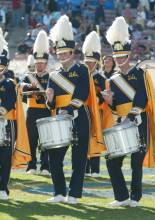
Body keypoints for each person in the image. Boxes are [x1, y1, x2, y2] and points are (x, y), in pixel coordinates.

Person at [102, 16, 155, 207]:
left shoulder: (140, 73)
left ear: (129, 55)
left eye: (123, 56)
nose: (120, 60)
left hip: (138, 121)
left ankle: (135, 197)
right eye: (117, 57)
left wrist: (130, 117)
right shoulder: (112, 79)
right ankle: (121, 197)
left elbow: (142, 98)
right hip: (121, 123)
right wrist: (110, 102)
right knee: (113, 162)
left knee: (136, 163)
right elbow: (114, 107)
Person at [46, 15, 104, 204]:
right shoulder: (53, 74)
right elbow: (51, 104)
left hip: (79, 117)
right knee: (54, 158)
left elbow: (82, 93)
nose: (62, 56)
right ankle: (59, 193)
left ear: (72, 52)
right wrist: (50, 100)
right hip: (60, 118)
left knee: (78, 160)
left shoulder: (81, 70)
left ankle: (74, 194)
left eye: (65, 53)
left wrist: (68, 109)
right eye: (59, 53)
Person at [0, 29, 31, 200]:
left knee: (5, 157)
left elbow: (7, 104)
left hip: (7, 123)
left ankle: (3, 188)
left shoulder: (9, 83)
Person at [22, 30, 51, 175]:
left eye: (42, 63)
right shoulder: (28, 77)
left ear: (46, 63)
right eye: (37, 63)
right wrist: (29, 88)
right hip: (32, 111)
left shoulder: (52, 77)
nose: (39, 65)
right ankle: (31, 166)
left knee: (45, 140)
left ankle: (45, 166)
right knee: (31, 140)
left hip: (46, 110)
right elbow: (21, 91)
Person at [82, 31, 104, 178]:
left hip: (97, 112)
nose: (88, 64)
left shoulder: (100, 78)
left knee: (94, 137)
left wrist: (98, 100)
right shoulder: (80, 76)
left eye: (91, 62)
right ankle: (84, 167)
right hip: (83, 111)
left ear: (96, 63)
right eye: (87, 61)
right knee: (83, 139)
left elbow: (104, 96)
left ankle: (95, 169)